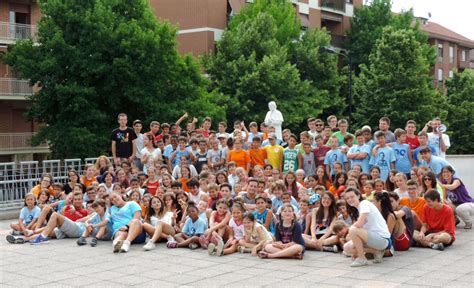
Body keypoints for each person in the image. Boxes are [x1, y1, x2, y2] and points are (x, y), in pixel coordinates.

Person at [343, 188, 391, 267]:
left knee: (352, 230)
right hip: (372, 239)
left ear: (358, 196)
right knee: (347, 248)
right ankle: (376, 252)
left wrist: (349, 230)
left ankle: (362, 259)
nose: (350, 199)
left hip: (382, 239)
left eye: (352, 197)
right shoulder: (359, 209)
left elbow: (359, 224)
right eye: (347, 198)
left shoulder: (364, 203)